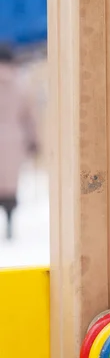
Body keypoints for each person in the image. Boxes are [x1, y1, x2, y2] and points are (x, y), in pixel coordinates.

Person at [0, 47, 38, 240]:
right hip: (14, 141)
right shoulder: (20, 86)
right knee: (10, 185)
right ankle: (9, 220)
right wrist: (34, 141)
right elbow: (29, 117)